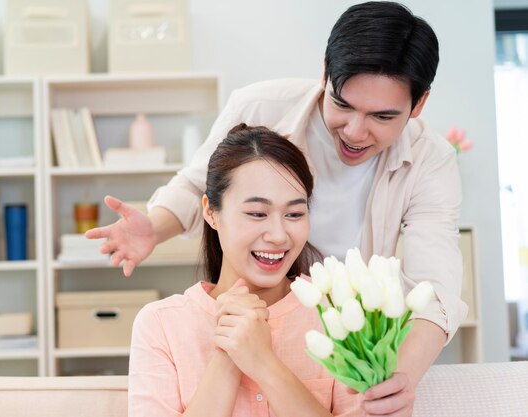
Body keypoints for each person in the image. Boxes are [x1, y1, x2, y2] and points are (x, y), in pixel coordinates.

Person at [87, 2, 467, 416]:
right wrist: (155, 228)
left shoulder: (432, 161)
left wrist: (398, 379)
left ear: (418, 105)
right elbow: (202, 182)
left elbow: (435, 287)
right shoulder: (260, 106)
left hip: (343, 322)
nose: (356, 132)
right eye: (342, 104)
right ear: (325, 73)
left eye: (382, 116)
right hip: (263, 295)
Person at [129, 124, 360, 416]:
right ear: (211, 212)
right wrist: (229, 351)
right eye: (256, 214)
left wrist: (263, 362)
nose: (278, 235)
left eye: (294, 214)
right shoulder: (161, 324)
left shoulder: (339, 313)